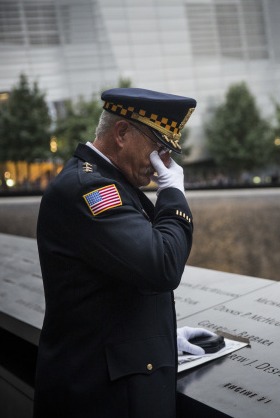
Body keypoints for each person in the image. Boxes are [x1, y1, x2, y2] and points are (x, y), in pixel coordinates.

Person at [34, 88, 215, 418]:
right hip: (101, 400)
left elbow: (111, 284)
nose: (163, 162)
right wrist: (172, 194)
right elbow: (161, 265)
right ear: (121, 133)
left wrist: (159, 336)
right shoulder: (90, 188)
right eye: (158, 148)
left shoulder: (110, 184)